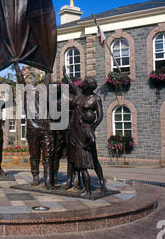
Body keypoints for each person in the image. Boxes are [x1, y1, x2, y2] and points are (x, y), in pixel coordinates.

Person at [62, 67, 107, 197]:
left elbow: (100, 116)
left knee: (93, 158)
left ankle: (102, 182)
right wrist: (65, 74)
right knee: (73, 157)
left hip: (85, 131)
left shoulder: (95, 99)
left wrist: (92, 127)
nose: (83, 82)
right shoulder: (79, 93)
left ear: (89, 87)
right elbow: (70, 84)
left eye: (85, 82)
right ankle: (73, 181)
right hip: (74, 130)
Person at [14, 62, 54, 189]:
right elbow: (20, 80)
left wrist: (49, 66)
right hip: (32, 130)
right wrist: (16, 65)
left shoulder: (43, 94)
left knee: (48, 155)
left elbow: (47, 79)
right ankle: (36, 177)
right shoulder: (26, 96)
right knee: (34, 155)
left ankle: (47, 180)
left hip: (45, 129)